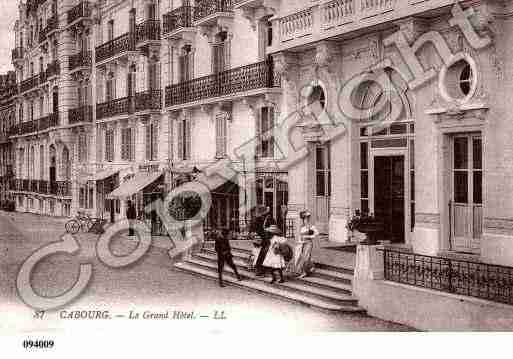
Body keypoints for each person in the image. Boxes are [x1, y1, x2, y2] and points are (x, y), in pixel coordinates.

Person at [249, 205, 276, 277]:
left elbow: (273, 229)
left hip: (266, 239)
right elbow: (253, 230)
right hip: (262, 239)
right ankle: (259, 269)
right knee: (262, 253)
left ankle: (261, 269)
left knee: (264, 253)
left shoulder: (268, 219)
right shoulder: (258, 219)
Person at [296, 210, 319, 278]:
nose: (305, 220)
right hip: (302, 243)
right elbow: (300, 235)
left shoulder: (311, 226)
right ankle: (311, 266)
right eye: (304, 219)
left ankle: (304, 272)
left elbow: (316, 233)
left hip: (308, 243)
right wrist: (300, 240)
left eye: (306, 218)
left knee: (306, 257)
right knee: (302, 256)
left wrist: (308, 236)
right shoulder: (302, 227)